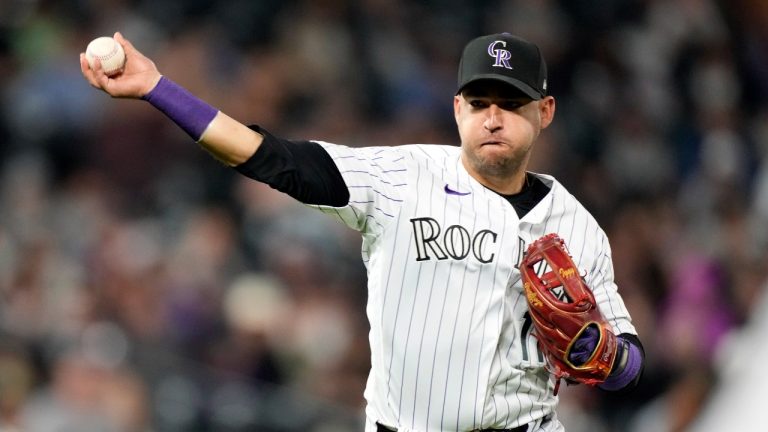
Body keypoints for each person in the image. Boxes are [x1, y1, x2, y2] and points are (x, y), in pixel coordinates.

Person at [80, 31, 644, 432]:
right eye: (479, 103)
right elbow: (270, 157)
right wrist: (158, 88)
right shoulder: (401, 177)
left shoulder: (578, 227)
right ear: (457, 109)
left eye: (511, 104)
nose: (492, 117)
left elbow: (629, 360)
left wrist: (608, 356)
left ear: (545, 111)